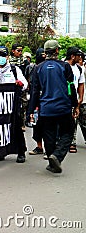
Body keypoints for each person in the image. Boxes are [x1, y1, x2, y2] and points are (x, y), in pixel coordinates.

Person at [28, 40, 77, 174]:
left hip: (46, 108)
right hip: (63, 107)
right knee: (68, 131)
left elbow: (34, 91)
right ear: (56, 51)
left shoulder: (38, 68)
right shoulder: (65, 66)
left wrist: (30, 110)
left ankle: (52, 161)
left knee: (48, 135)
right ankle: (57, 156)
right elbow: (70, 86)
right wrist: (75, 104)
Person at [0, 46, 28, 163]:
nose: (0, 58)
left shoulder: (14, 70)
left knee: (16, 127)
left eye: (3, 55)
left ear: (7, 57)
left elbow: (25, 84)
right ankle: (0, 152)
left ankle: (21, 151)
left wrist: (20, 84)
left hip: (12, 104)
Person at [26, 48, 47, 157]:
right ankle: (39, 146)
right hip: (36, 101)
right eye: (41, 55)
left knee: (48, 126)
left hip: (47, 100)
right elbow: (31, 84)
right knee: (36, 126)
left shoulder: (48, 68)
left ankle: (49, 149)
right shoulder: (33, 68)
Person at [65, 47, 85, 153]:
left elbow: (81, 83)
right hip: (63, 98)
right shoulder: (62, 66)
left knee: (73, 119)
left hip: (73, 98)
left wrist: (80, 98)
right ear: (73, 56)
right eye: (78, 55)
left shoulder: (79, 69)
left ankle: (72, 142)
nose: (80, 57)